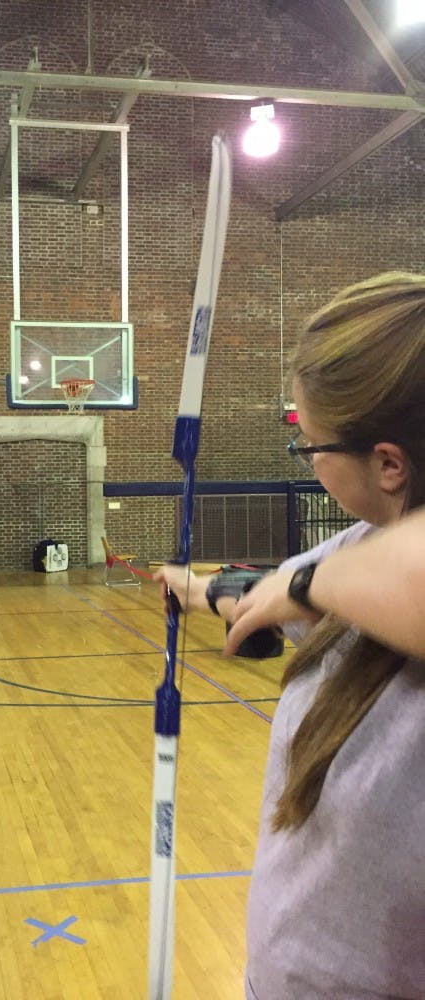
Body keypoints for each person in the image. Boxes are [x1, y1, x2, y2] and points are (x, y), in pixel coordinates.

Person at [154, 272, 425, 999]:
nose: (309, 459)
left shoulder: (368, 570)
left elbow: (346, 585)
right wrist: (196, 587)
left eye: (311, 447)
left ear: (389, 463)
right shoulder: (359, 549)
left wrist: (300, 588)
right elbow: (268, 591)